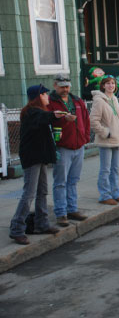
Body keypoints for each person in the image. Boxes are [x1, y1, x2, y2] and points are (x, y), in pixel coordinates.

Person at [9, 85, 64, 245]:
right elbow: (43, 117)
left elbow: (45, 118)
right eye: (44, 94)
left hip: (40, 156)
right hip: (32, 157)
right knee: (29, 193)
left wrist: (55, 116)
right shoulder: (31, 112)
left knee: (42, 191)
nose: (47, 96)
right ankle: (17, 229)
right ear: (37, 96)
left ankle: (42, 224)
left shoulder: (39, 112)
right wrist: (54, 114)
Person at [47, 74, 90, 227]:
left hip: (79, 146)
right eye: (62, 86)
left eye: (67, 86)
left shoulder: (77, 101)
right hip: (62, 147)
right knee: (60, 182)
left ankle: (72, 209)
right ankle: (61, 213)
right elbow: (47, 121)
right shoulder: (51, 103)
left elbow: (86, 119)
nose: (65, 89)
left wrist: (85, 138)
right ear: (55, 86)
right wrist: (61, 119)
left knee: (73, 180)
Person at [89, 76, 119, 205]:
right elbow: (93, 121)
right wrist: (105, 132)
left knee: (115, 168)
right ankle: (104, 195)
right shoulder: (99, 101)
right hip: (106, 140)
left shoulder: (115, 99)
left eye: (113, 83)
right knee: (105, 169)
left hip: (117, 138)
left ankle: (115, 193)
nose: (111, 86)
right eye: (108, 84)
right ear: (103, 86)